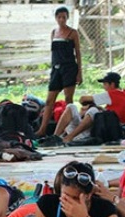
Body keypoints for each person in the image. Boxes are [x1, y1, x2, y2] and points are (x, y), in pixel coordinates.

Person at [43, 72, 125, 145]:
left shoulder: (112, 94)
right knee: (71, 107)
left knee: (93, 111)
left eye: (105, 84)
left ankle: (69, 137)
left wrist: (89, 105)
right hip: (111, 128)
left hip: (100, 133)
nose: (104, 87)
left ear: (112, 84)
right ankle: (55, 137)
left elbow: (83, 99)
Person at [37, 7, 82, 137]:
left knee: (69, 99)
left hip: (69, 68)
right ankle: (42, 129)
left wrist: (79, 72)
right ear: (56, 18)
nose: (62, 20)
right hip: (56, 68)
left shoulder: (73, 33)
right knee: (49, 101)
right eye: (59, 17)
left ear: (67, 18)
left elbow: (78, 52)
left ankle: (69, 130)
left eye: (64, 17)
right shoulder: (54, 32)